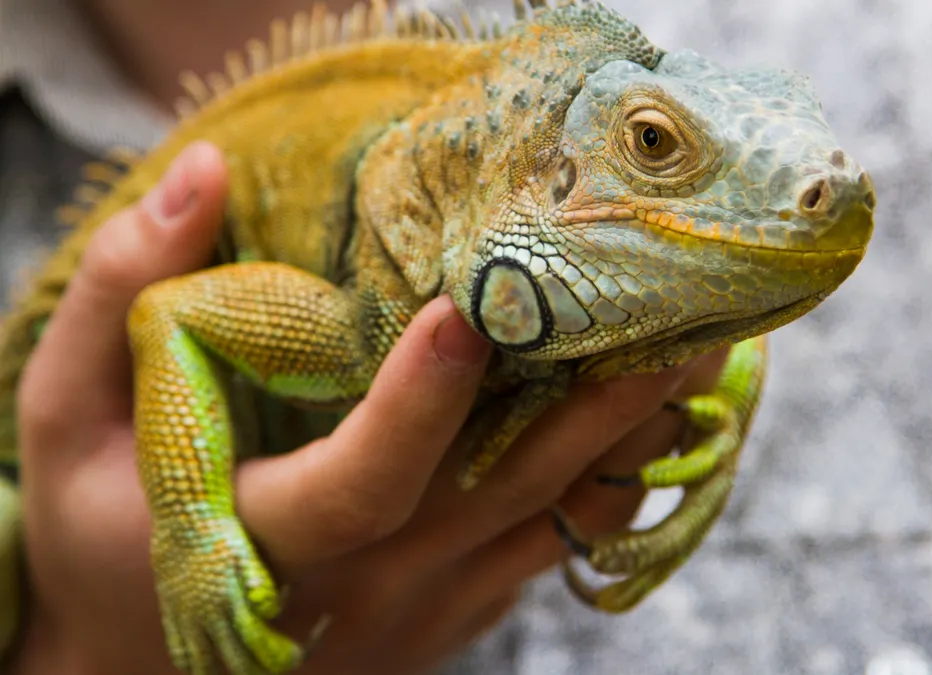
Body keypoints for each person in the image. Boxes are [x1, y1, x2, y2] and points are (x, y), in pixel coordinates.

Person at [0, 0, 729, 673]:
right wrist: (123, 611)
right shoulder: (372, 309)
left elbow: (725, 274)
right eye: (652, 142)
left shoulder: (658, 86)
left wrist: (725, 394)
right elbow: (176, 316)